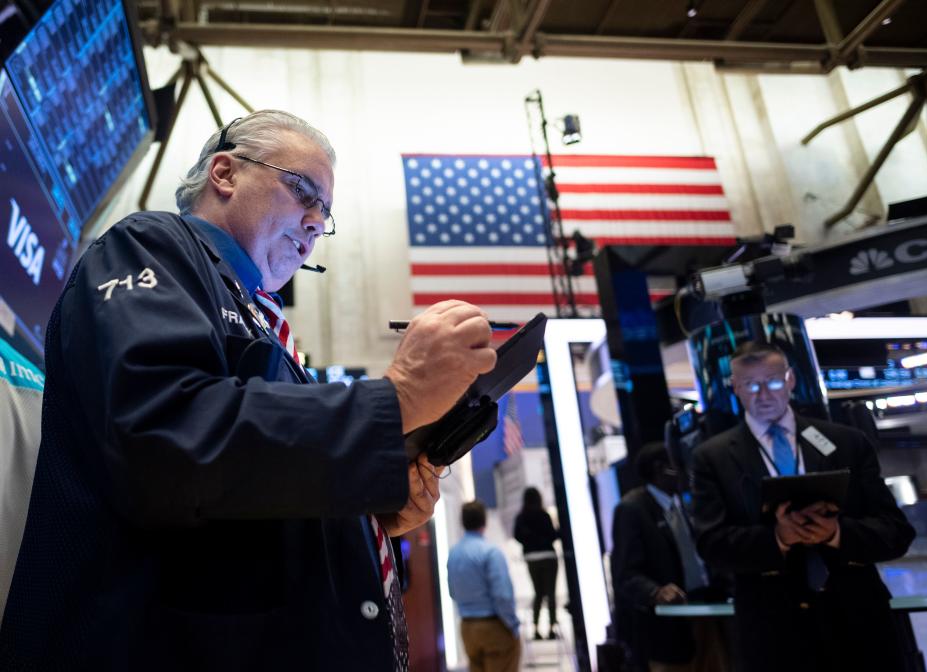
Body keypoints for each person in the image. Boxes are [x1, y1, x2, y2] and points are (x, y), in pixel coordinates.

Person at [0, 110, 498, 671]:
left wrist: (362, 518)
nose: (315, 222)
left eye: (325, 213)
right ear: (225, 173)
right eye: (302, 191)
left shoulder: (263, 324)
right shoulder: (149, 245)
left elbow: (244, 494)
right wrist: (397, 398)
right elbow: (169, 440)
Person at [690, 341, 915, 672]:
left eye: (774, 382)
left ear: (791, 380)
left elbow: (896, 532)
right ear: (735, 389)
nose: (763, 394)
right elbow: (711, 545)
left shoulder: (847, 442)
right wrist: (777, 538)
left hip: (858, 623)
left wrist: (838, 533)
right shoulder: (713, 458)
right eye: (751, 385)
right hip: (774, 631)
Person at [611, 443, 727, 672]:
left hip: (706, 614)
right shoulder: (632, 509)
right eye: (679, 464)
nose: (687, 470)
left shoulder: (685, 504)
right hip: (666, 629)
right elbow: (625, 573)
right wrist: (656, 592)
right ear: (660, 468)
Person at [448, 500, 521, 672]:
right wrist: (513, 624)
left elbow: (452, 592)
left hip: (467, 629)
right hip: (494, 626)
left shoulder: (454, 553)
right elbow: (502, 595)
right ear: (485, 521)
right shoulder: (491, 553)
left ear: (463, 522)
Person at [512, 486, 559, 640]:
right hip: (548, 555)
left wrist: (529, 542)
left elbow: (517, 536)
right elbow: (553, 535)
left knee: (538, 593)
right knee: (551, 594)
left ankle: (536, 629)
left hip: (532, 558)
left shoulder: (521, 517)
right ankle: (552, 629)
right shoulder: (544, 515)